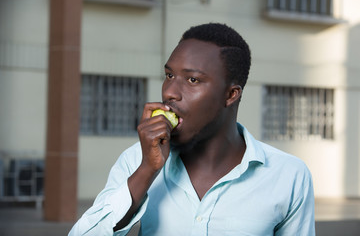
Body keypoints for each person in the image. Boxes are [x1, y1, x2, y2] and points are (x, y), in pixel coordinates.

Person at [69, 23, 315, 236]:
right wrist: (147, 170)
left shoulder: (289, 175)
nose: (169, 92)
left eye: (192, 80)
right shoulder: (138, 159)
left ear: (230, 95)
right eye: (169, 75)